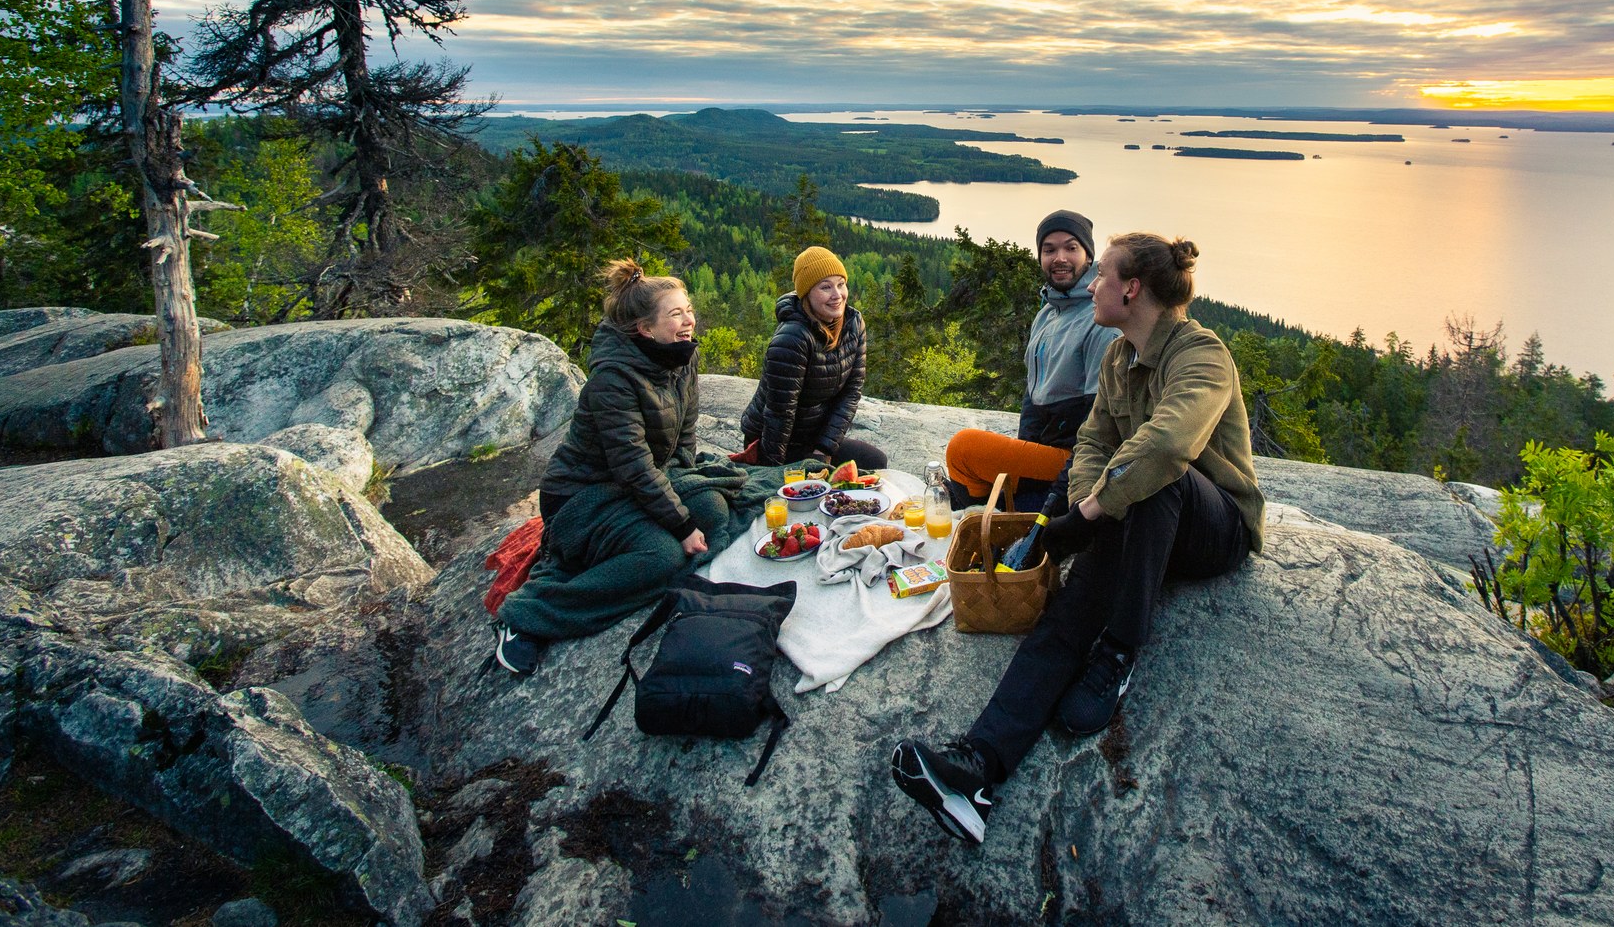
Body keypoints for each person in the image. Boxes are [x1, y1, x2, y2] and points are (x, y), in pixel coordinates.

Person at [890, 233, 1264, 844]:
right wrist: (1088, 507)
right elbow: (1091, 442)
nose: (1091, 285)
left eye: (1102, 275)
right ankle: (979, 772)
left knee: (1159, 478)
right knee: (1063, 617)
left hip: (1213, 526)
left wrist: (1087, 514)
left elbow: (1169, 446)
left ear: (1131, 288)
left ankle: (1120, 651)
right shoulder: (1120, 357)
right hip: (1136, 518)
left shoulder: (1202, 355)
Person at [493, 261, 757, 676]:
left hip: (641, 481)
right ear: (645, 329)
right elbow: (631, 466)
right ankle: (533, 612)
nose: (689, 320)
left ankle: (635, 555)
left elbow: (684, 435)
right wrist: (682, 525)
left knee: (713, 508)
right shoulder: (612, 379)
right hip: (584, 497)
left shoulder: (681, 356)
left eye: (688, 309)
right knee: (662, 555)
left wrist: (686, 482)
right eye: (676, 314)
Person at [944, 209, 1118, 512]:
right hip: (1046, 449)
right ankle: (1003, 511)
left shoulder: (1099, 319)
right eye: (1049, 250)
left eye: (1071, 248)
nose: (1059, 257)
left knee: (964, 449)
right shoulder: (1047, 314)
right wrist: (1025, 455)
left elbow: (1098, 418)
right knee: (970, 466)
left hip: (1076, 457)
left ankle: (1003, 513)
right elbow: (1032, 396)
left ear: (1089, 257)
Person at [737, 245, 887, 470]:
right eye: (825, 287)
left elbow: (851, 391)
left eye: (841, 284)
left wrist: (824, 449)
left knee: (875, 462)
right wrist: (772, 474)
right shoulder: (792, 338)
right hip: (773, 443)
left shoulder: (853, 323)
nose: (837, 295)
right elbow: (780, 413)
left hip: (813, 437)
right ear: (807, 293)